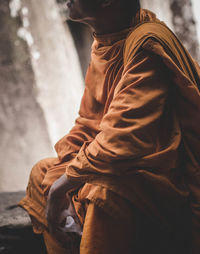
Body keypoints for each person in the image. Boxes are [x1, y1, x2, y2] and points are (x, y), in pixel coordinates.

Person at [19, 0, 200, 253]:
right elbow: (88, 123)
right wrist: (59, 179)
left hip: (159, 174)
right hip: (122, 163)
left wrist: (62, 187)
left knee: (103, 192)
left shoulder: (146, 45)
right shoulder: (107, 40)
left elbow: (122, 138)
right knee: (42, 173)